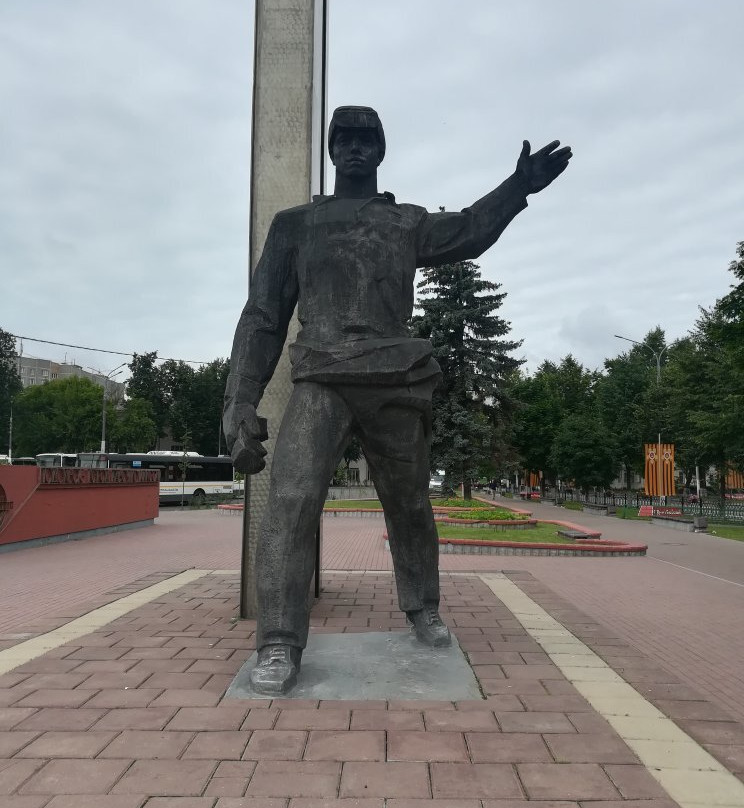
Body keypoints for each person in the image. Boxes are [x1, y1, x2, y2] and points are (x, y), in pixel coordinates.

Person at [224, 106, 572, 694]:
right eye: (346, 140)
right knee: (289, 500)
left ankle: (423, 609)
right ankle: (279, 640)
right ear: (332, 151)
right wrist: (239, 400)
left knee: (409, 505)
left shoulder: (404, 222)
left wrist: (517, 188)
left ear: (381, 151)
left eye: (367, 140)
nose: (356, 149)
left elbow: (467, 230)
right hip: (322, 378)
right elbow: (262, 317)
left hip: (395, 377)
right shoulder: (295, 225)